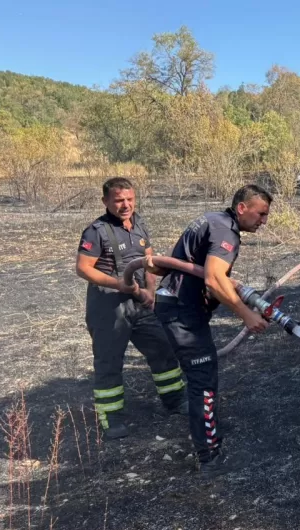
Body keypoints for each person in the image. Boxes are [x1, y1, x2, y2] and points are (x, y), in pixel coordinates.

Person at [154, 184, 272, 474]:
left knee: (203, 376)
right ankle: (209, 456)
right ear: (242, 208)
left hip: (180, 306)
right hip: (182, 310)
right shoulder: (225, 231)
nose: (264, 221)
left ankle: (208, 434)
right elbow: (214, 279)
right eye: (261, 214)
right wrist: (246, 315)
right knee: (203, 381)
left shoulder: (215, 220)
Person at [76, 177, 188, 440]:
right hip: (109, 305)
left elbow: (149, 261)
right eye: (118, 200)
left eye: (129, 199)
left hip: (140, 302)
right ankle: (111, 417)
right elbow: (83, 268)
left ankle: (175, 400)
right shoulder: (96, 231)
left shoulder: (139, 224)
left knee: (162, 349)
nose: (125, 205)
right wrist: (119, 284)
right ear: (105, 201)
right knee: (109, 361)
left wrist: (151, 291)